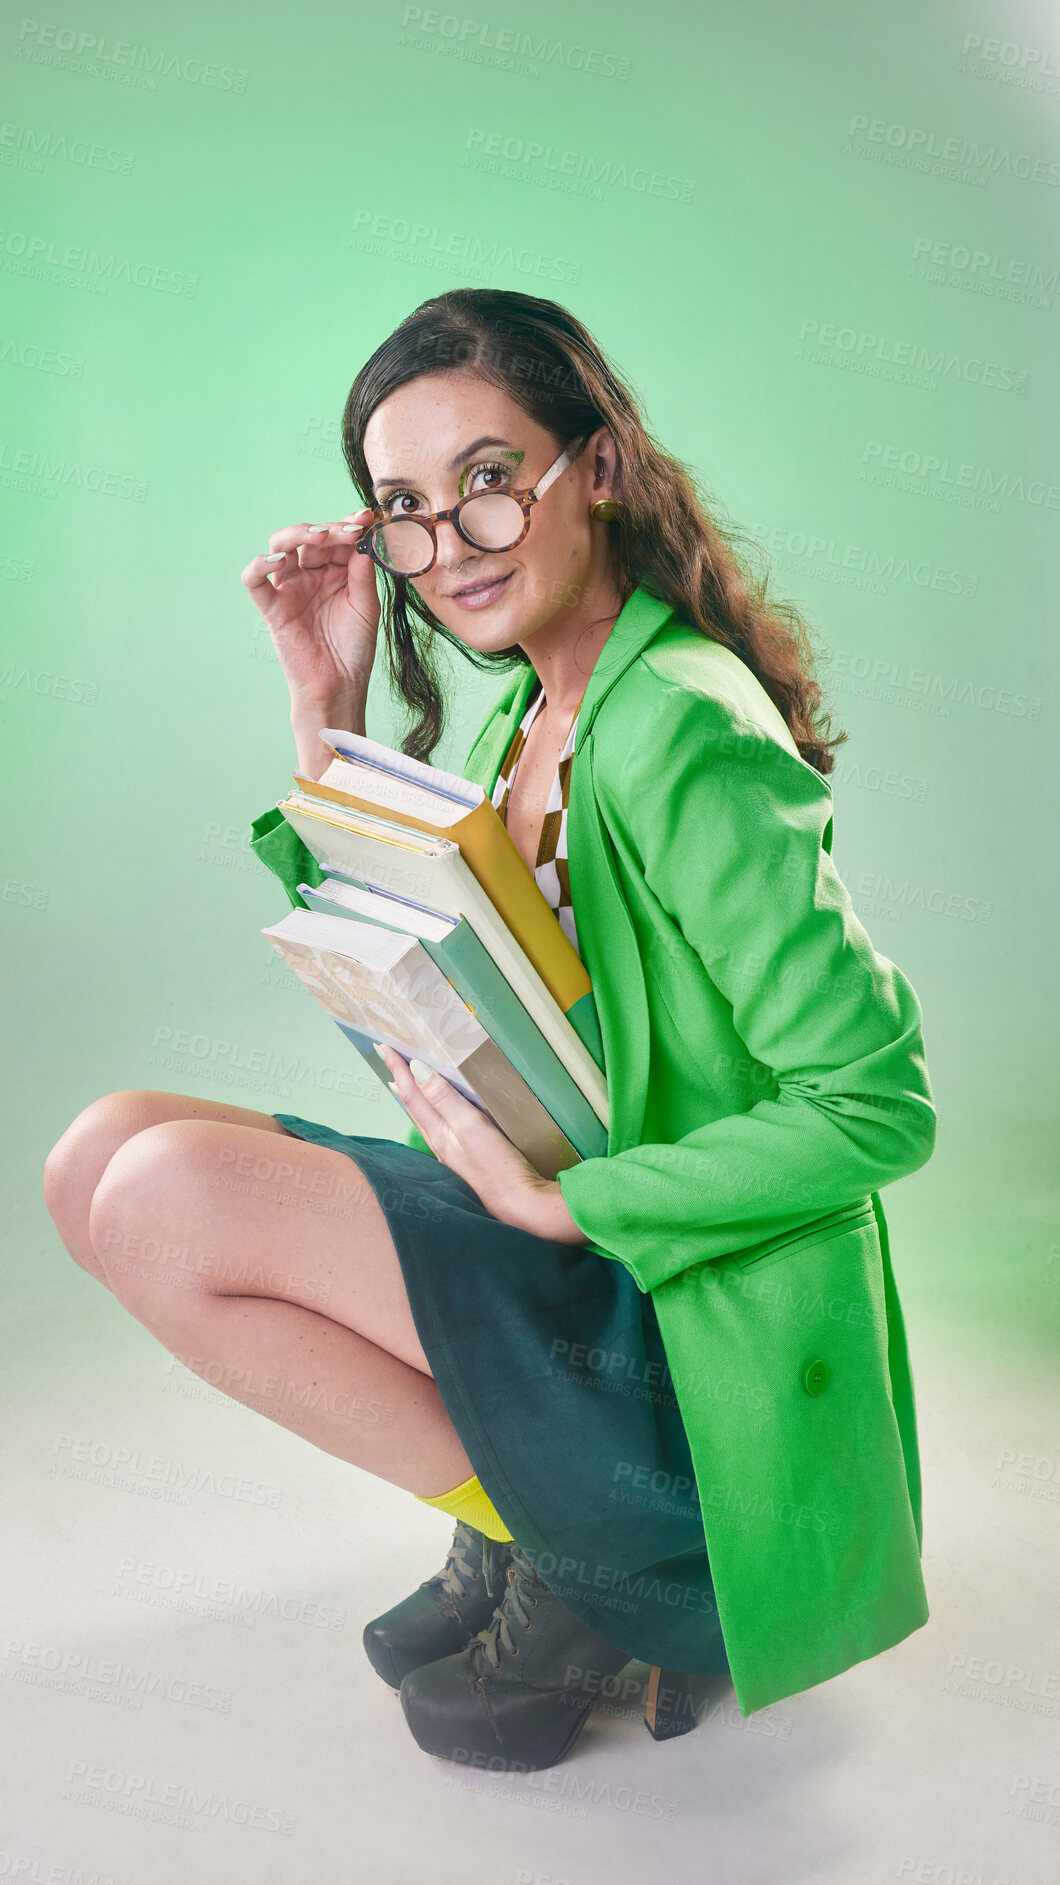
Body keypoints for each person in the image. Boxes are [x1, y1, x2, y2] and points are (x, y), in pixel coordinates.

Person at [42, 288, 936, 1773]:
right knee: (100, 1151)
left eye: (485, 480)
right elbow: (442, 993)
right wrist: (321, 710)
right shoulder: (527, 711)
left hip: (670, 1330)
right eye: (403, 504)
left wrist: (559, 1198)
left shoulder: (684, 731)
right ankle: (529, 1528)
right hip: (564, 1258)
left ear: (595, 467)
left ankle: (616, 1560)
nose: (445, 544)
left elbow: (874, 1105)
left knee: (160, 1201)